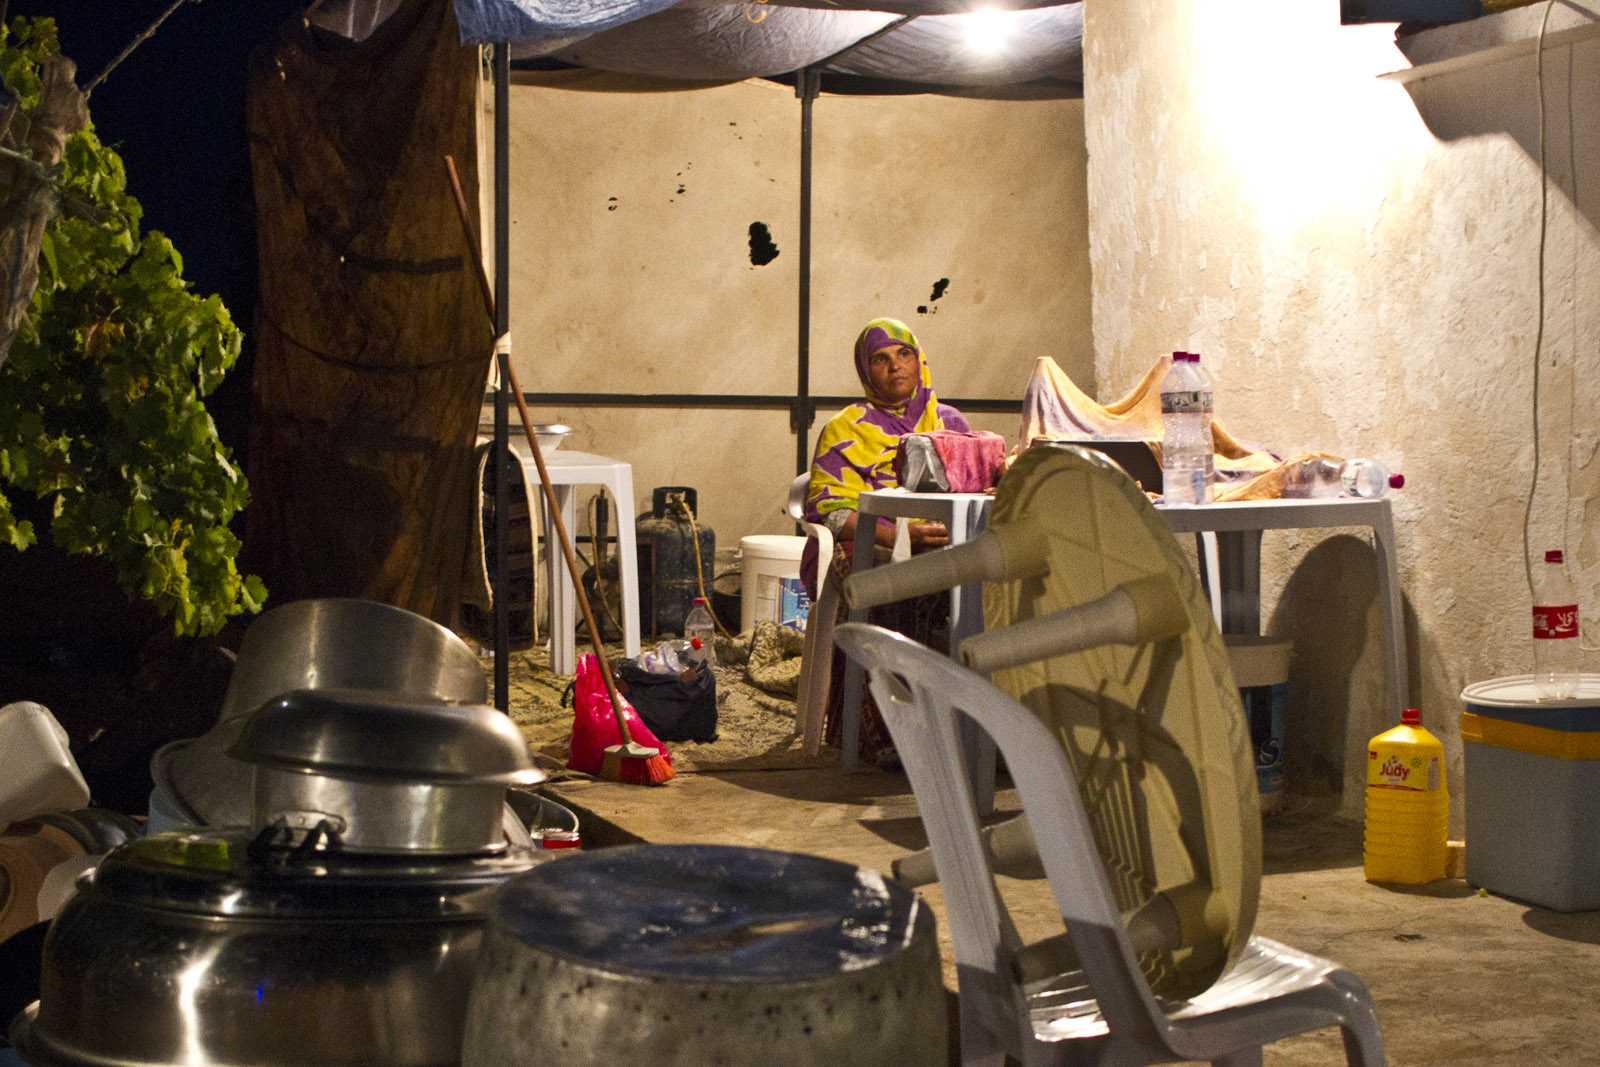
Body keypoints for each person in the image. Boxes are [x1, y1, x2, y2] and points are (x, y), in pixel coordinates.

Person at [802, 317, 970, 765]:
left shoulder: (949, 422)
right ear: (865, 370)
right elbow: (831, 512)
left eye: (903, 354)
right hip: (865, 541)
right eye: (880, 359)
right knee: (892, 582)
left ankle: (965, 731)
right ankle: (886, 736)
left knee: (984, 586)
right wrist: (900, 537)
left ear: (919, 361)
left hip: (939, 539)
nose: (895, 367)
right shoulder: (845, 427)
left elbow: (970, 487)